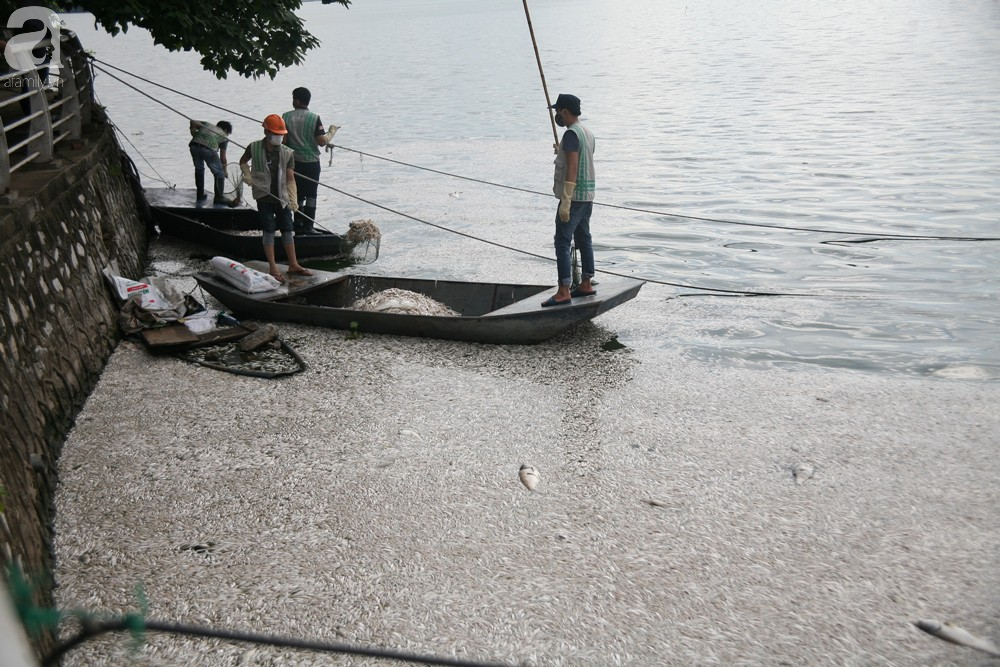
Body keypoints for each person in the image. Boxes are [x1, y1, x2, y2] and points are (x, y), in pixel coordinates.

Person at [238, 114, 314, 282]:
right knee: (269, 229)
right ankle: (273, 267)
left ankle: (293, 264)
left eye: (281, 134)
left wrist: (293, 199)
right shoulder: (254, 147)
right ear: (266, 131)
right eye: (275, 133)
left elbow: (290, 178)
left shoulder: (288, 153)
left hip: (282, 197)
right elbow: (243, 161)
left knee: (288, 229)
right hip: (264, 195)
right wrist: (247, 174)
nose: (279, 137)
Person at [542, 93, 597, 307]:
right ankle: (586, 283)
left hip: (574, 198)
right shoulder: (587, 132)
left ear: (565, 111)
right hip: (588, 196)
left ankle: (564, 290)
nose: (557, 115)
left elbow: (573, 167)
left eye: (558, 111)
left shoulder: (572, 134)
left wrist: (566, 199)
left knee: (563, 241)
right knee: (584, 238)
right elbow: (581, 156)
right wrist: (562, 151)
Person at [282, 87, 337, 234]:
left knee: (297, 194)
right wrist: (331, 133)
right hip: (311, 162)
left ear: (297, 100)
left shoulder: (285, 117)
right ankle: (309, 226)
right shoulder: (314, 118)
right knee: (311, 195)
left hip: (293, 163)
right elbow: (321, 141)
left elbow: (284, 142)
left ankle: (298, 223)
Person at [189, 119, 232, 203]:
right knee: (219, 173)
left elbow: (192, 121)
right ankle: (219, 198)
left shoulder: (207, 124)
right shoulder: (224, 136)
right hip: (208, 149)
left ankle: (200, 195)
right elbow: (223, 158)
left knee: (199, 170)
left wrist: (193, 132)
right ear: (226, 130)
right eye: (228, 133)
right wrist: (225, 171)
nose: (227, 135)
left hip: (194, 146)